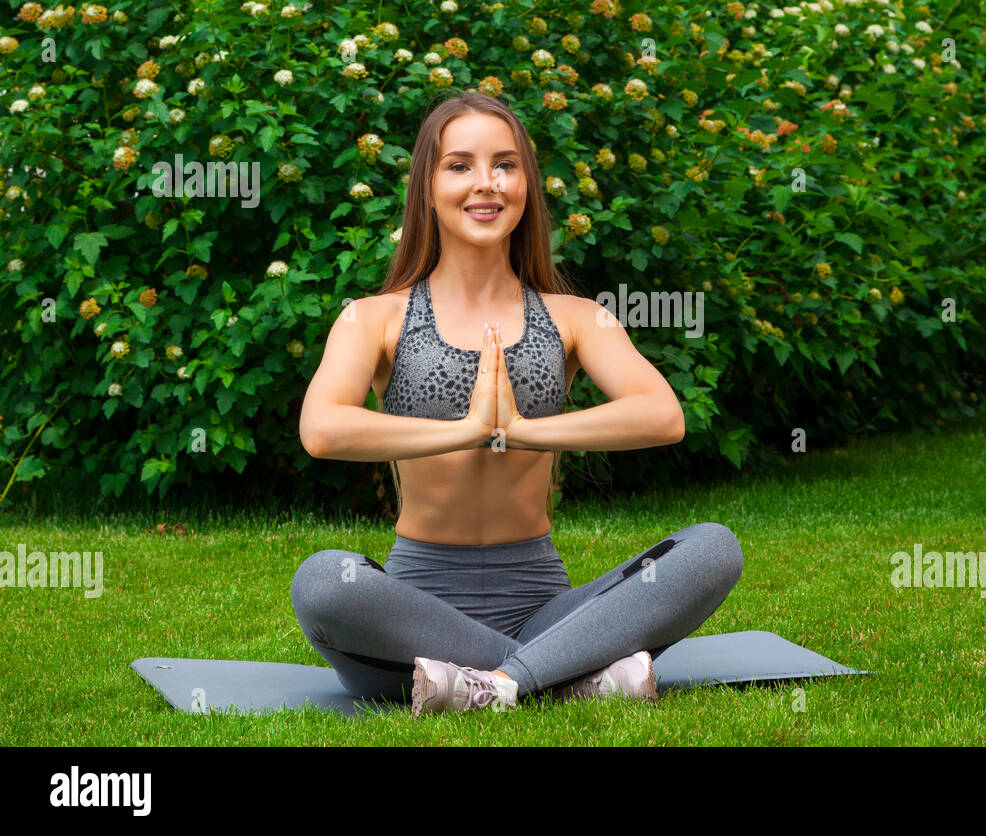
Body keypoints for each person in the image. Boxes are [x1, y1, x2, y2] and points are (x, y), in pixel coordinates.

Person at [291, 92, 744, 714]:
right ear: (426, 186)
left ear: (527, 183)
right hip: (412, 614)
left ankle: (494, 686)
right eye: (460, 166)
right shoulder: (375, 318)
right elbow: (322, 429)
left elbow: (662, 415)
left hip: (544, 601)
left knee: (713, 548)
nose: (486, 183)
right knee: (322, 581)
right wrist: (472, 430)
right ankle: (567, 672)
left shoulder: (577, 318)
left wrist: (524, 430)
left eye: (505, 164)